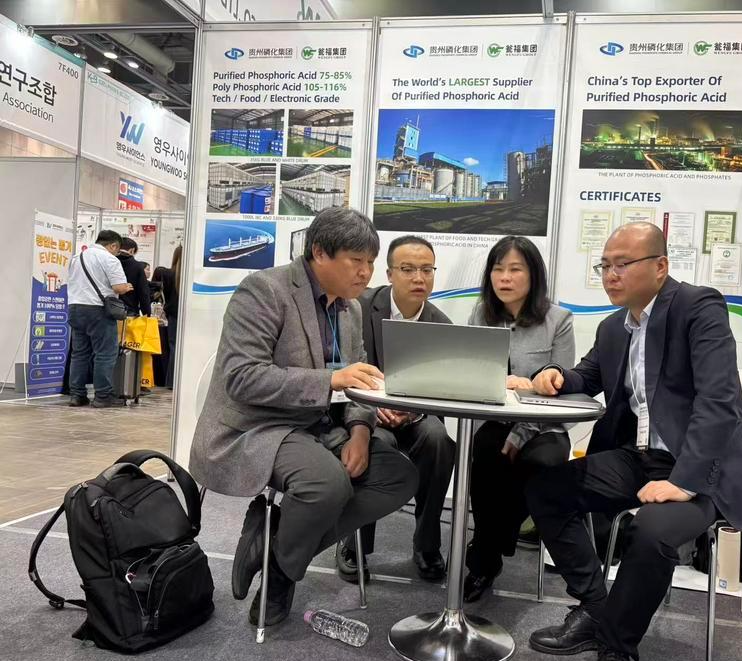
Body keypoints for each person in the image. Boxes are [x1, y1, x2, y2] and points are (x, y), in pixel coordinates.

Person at [525, 223, 742, 661]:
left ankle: (616, 644)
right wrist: (555, 376)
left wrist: (684, 481)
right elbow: (587, 376)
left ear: (660, 266)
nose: (610, 274)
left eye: (622, 264)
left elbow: (717, 401)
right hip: (641, 458)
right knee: (545, 489)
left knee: (651, 532)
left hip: (702, 466)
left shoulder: (698, 307)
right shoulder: (614, 327)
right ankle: (595, 607)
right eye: (605, 265)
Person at [190, 208, 418, 627]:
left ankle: (276, 551)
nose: (366, 273)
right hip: (257, 426)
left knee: (397, 476)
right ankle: (281, 577)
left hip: (317, 426)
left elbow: (360, 380)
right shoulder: (264, 290)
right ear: (319, 253)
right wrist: (330, 380)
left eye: (370, 262)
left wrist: (360, 431)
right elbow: (242, 377)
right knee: (326, 484)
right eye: (356, 261)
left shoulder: (349, 310)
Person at [336, 235, 455, 583]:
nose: (419, 278)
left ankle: (427, 544)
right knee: (378, 443)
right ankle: (355, 543)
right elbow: (342, 369)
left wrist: (413, 412)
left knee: (439, 440)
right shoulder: (357, 308)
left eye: (427, 270)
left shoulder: (442, 326)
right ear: (389, 274)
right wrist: (373, 410)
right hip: (365, 414)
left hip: (415, 415)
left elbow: (443, 389)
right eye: (408, 269)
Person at [463, 235, 575, 602]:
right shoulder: (481, 315)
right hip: (495, 421)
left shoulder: (558, 320)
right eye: (498, 270)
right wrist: (503, 382)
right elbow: (473, 374)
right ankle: (487, 559)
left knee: (539, 463)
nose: (505, 278)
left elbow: (559, 389)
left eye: (515, 269)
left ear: (533, 275)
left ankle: (486, 550)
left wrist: (520, 432)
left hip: (544, 424)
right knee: (485, 454)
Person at [66, 230, 133, 408]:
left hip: (75, 308)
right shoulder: (109, 259)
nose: (117, 253)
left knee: (79, 354)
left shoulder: (77, 258)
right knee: (105, 353)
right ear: (113, 245)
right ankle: (103, 396)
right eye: (117, 250)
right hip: (98, 310)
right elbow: (118, 288)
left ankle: (77, 395)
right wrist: (127, 287)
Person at [153, 246, 181, 388]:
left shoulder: (169, 274)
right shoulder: (188, 275)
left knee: (173, 347)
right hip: (187, 314)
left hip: (172, 314)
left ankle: (170, 381)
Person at [116, 237, 152, 317]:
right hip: (130, 312)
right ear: (132, 250)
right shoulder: (137, 267)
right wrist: (147, 314)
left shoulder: (110, 263)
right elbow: (143, 293)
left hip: (109, 310)